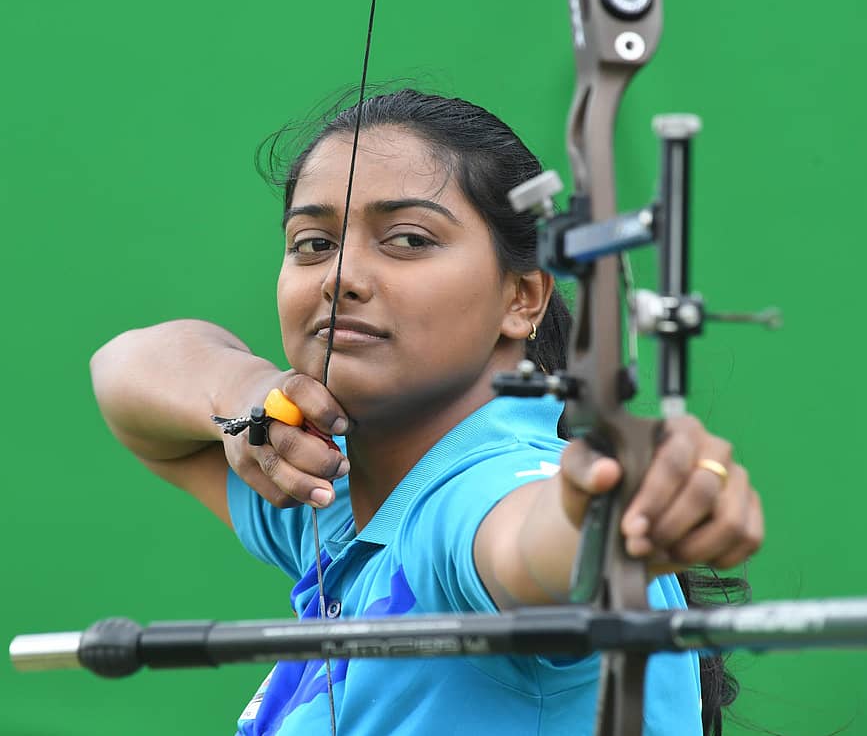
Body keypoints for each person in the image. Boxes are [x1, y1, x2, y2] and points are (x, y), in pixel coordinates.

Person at [91, 89, 762, 736]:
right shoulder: (330, 490)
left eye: (408, 239)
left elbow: (536, 546)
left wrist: (620, 516)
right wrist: (248, 397)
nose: (339, 275)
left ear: (523, 298)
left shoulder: (481, 490)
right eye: (312, 242)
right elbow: (121, 369)